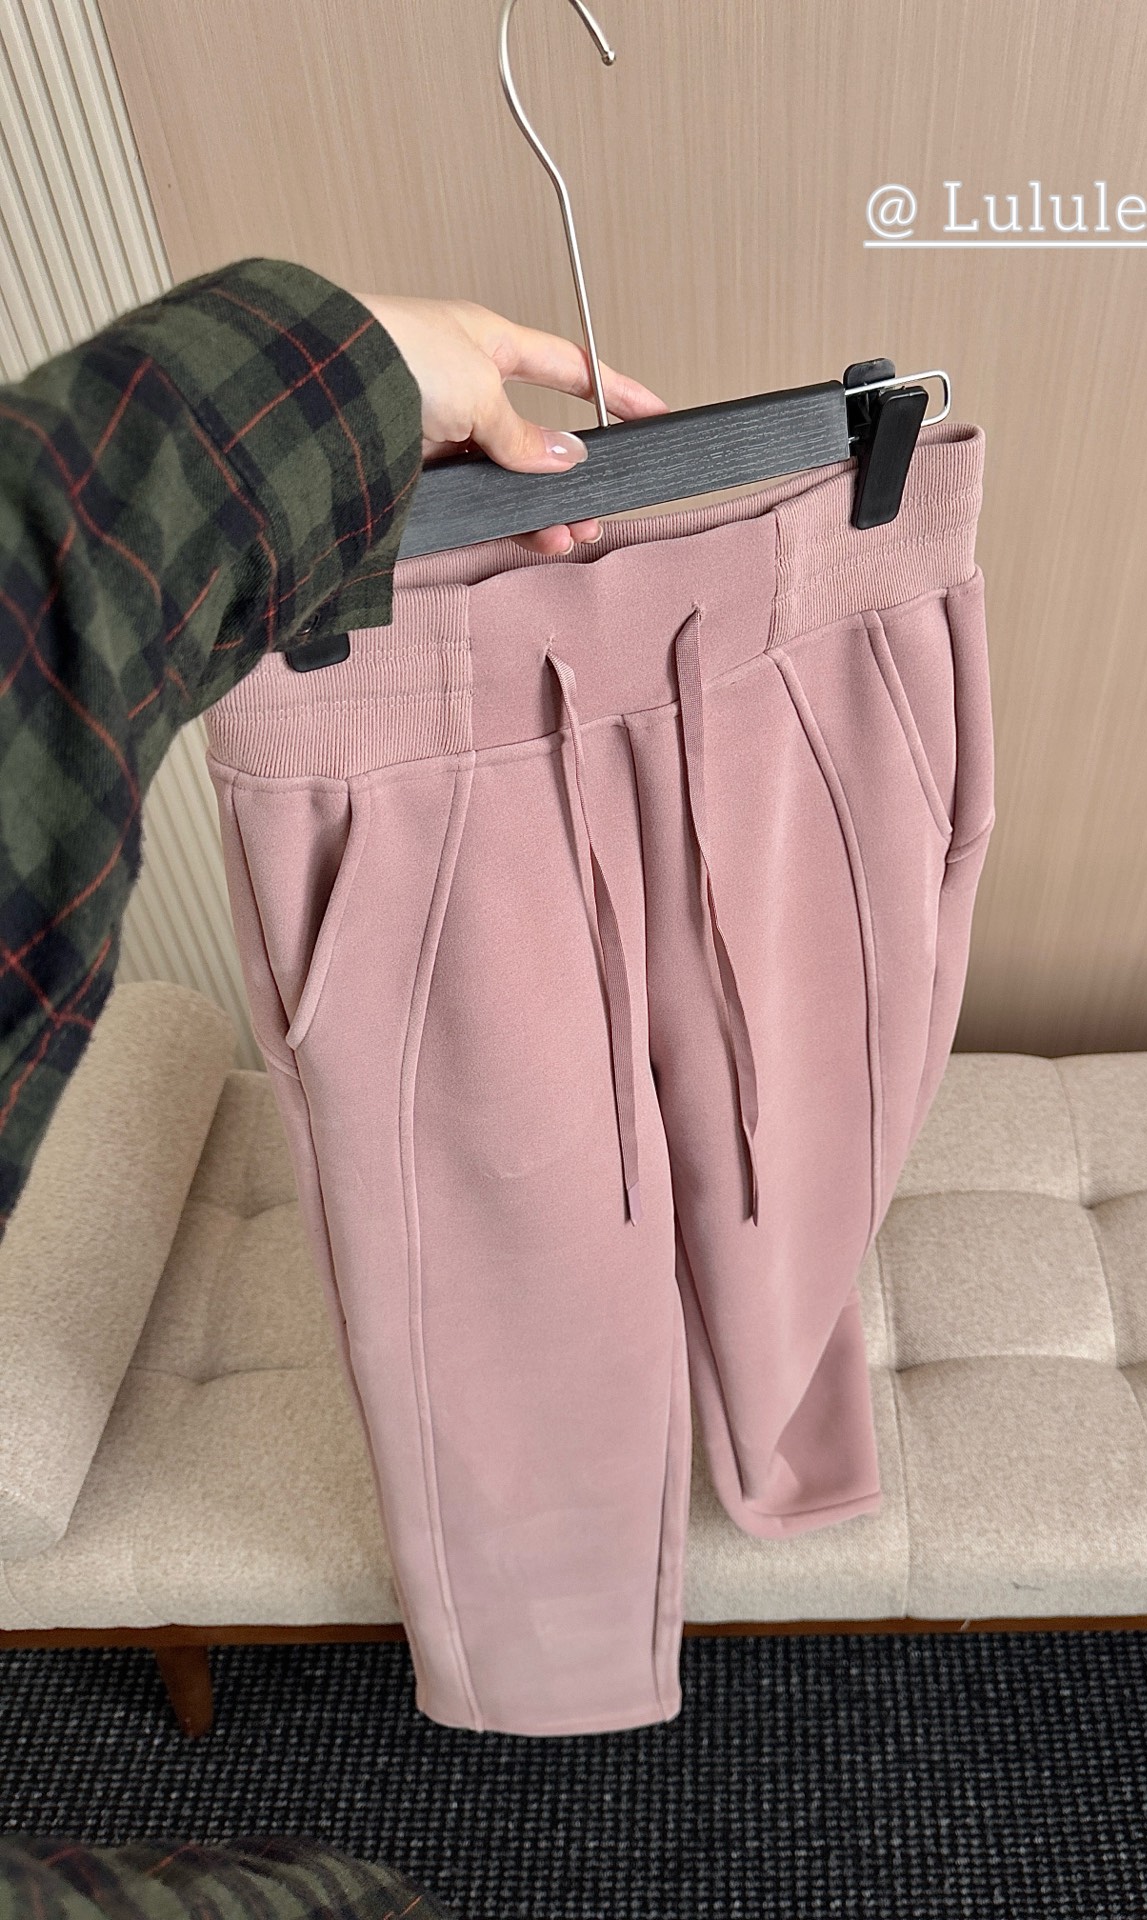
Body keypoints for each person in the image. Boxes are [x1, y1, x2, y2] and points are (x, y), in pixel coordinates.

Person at [0, 256, 667, 1231]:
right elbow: (45, 635)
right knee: (506, 1224)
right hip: (353, 715)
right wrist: (322, 386)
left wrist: (334, 396)